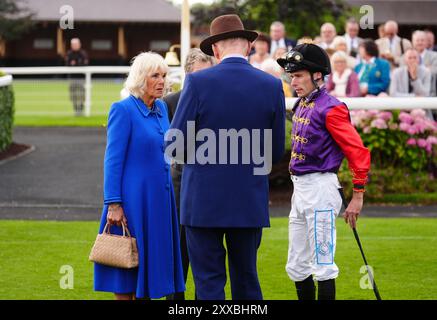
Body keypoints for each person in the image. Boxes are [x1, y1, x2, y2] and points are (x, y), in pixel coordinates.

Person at [169, 14, 286, 300]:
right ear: (247, 46)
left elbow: (175, 145)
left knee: (208, 284)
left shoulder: (197, 83)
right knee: (246, 281)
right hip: (248, 198)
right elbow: (274, 151)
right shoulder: (271, 86)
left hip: (202, 201)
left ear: (216, 49)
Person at [277, 43, 371, 300]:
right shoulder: (303, 104)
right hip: (300, 191)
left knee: (323, 265)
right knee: (296, 266)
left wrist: (358, 195)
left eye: (298, 76)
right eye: (291, 76)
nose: (293, 81)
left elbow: (358, 152)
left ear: (317, 75)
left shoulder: (332, 108)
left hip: (321, 190)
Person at [94, 52, 185, 300]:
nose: (162, 81)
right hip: (132, 203)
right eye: (155, 75)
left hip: (160, 202)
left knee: (152, 270)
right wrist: (113, 203)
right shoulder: (122, 110)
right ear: (140, 77)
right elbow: (113, 160)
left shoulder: (162, 109)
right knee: (127, 270)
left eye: (164, 75)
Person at [163, 48, 214, 300]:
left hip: (210, 187)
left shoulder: (219, 101)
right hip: (179, 183)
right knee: (178, 254)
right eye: (199, 75)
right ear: (187, 75)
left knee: (207, 260)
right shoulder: (171, 102)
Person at [65, 38, 88, 116]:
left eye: (76, 44)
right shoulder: (69, 53)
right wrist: (77, 63)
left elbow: (85, 64)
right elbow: (67, 64)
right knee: (73, 95)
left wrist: (75, 63)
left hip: (81, 78)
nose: (75, 46)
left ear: (79, 44)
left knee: (82, 95)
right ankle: (76, 109)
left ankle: (81, 109)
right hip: (72, 78)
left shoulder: (83, 53)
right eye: (73, 44)